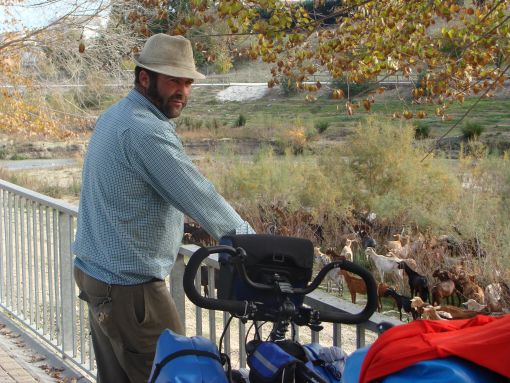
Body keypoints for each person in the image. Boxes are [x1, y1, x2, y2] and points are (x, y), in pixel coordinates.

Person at [72, 33, 254, 383]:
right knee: (177, 372)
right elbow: (201, 197)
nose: (183, 91)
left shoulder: (116, 115)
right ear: (145, 78)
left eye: (187, 82)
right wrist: (256, 246)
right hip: (131, 291)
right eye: (173, 80)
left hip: (98, 277)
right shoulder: (146, 131)